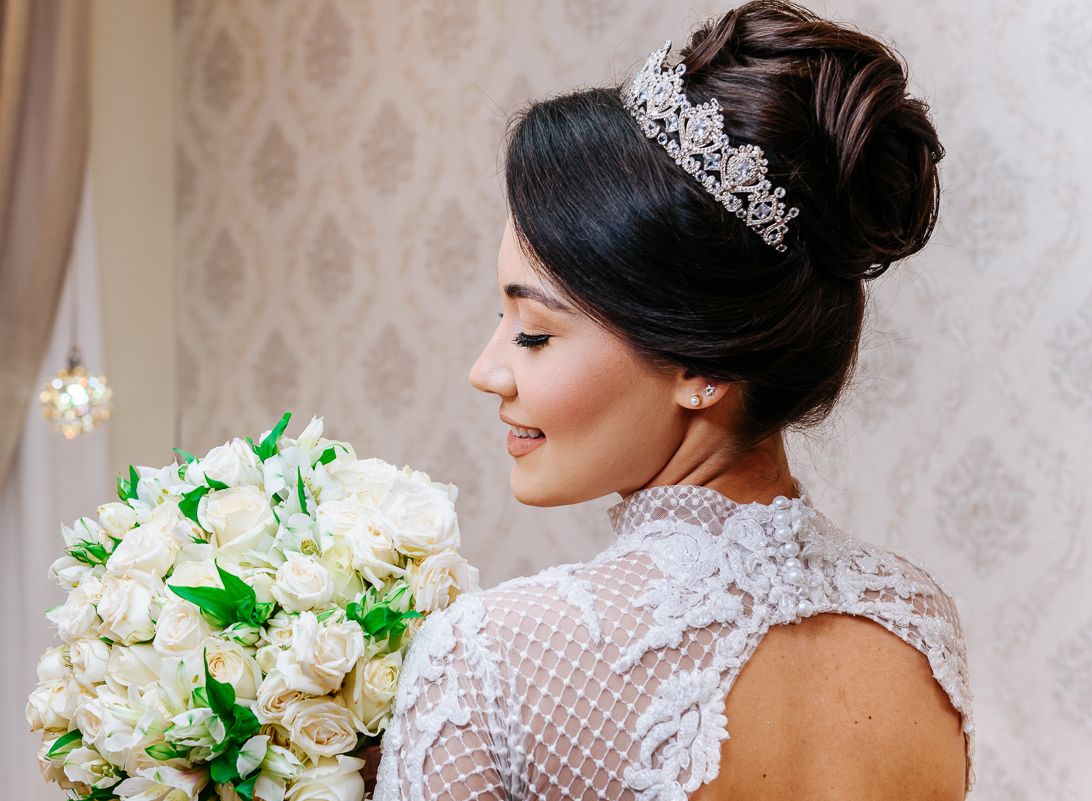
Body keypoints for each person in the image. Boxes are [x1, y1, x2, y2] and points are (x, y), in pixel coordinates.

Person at [375, 2, 972, 798]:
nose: (487, 370)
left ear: (702, 363)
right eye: (501, 318)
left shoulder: (489, 658)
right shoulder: (917, 625)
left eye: (534, 333)